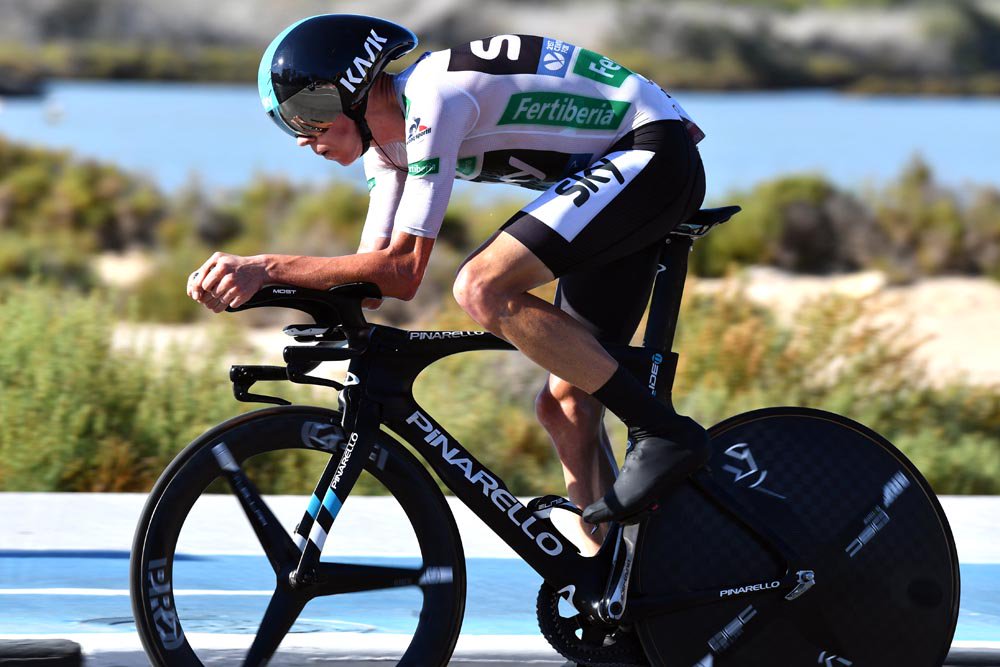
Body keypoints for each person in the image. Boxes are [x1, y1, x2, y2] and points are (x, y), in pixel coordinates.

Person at [187, 14, 710, 555]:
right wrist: (260, 291)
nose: (302, 137)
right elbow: (371, 280)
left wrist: (267, 267)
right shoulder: (385, 150)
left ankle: (663, 432)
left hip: (652, 153)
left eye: (308, 113)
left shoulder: (433, 98)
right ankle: (619, 577)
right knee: (565, 406)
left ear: (353, 89)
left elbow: (404, 269)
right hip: (619, 172)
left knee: (481, 287)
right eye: (288, 123)